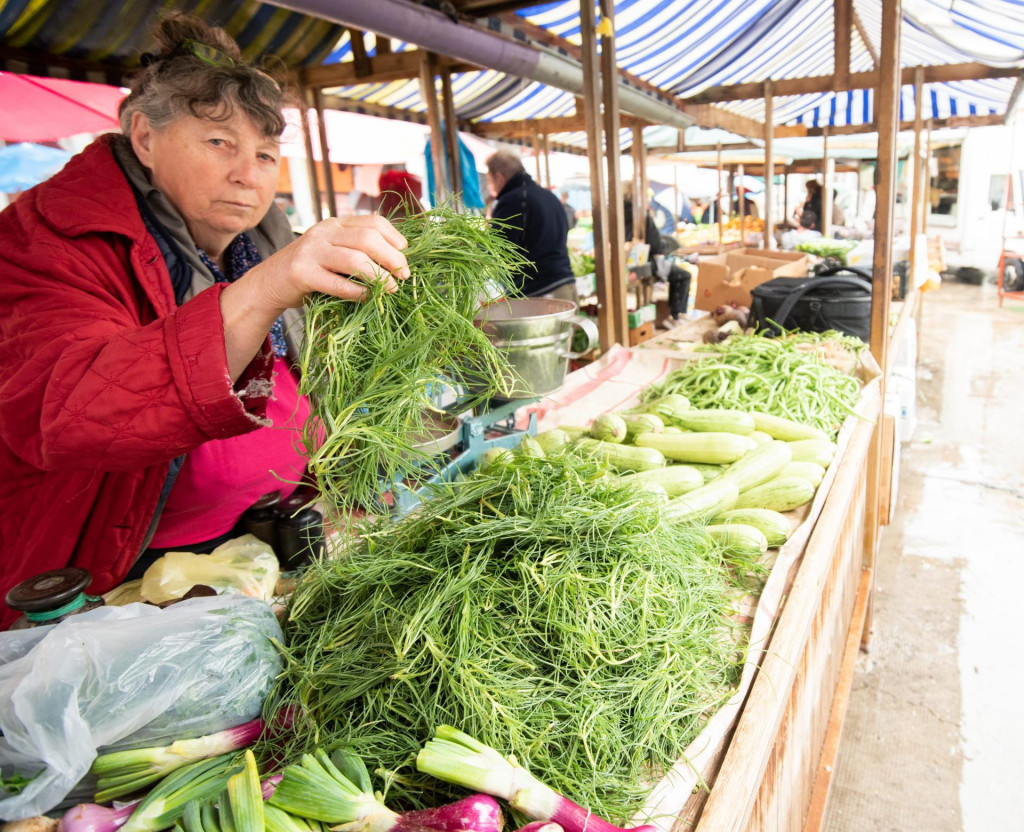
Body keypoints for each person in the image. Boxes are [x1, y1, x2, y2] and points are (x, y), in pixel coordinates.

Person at [0, 13, 411, 629]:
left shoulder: (262, 239)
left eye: (265, 154)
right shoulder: (47, 240)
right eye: (220, 144)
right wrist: (265, 288)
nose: (248, 174)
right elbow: (65, 409)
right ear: (144, 136)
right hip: (130, 576)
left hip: (263, 542)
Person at [486, 150, 576, 303]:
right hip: (565, 285)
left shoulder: (513, 200)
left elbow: (495, 247)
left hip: (542, 293)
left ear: (499, 177)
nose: (489, 186)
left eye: (489, 180)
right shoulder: (547, 195)